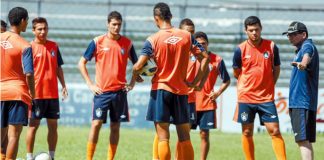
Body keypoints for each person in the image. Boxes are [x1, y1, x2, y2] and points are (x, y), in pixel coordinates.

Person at [133, 3, 209, 160]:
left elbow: (139, 65)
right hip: (181, 92)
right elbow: (205, 58)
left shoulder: (153, 39)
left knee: (163, 138)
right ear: (171, 17)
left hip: (161, 90)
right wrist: (195, 82)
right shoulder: (187, 36)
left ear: (156, 19)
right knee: (184, 138)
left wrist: (135, 75)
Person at [78, 11, 141, 160]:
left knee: (115, 126)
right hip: (102, 92)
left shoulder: (127, 43)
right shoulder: (97, 41)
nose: (117, 27)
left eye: (119, 24)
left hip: (119, 92)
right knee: (96, 124)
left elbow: (137, 66)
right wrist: (90, 84)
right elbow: (81, 63)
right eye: (114, 24)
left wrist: (132, 82)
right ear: (107, 24)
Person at [232, 16, 286, 160]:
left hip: (266, 98)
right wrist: (247, 84)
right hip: (246, 98)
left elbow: (277, 68)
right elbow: (236, 72)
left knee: (274, 131)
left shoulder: (272, 47)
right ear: (246, 31)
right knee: (247, 132)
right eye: (251, 30)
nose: (254, 33)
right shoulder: (240, 49)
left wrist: (269, 84)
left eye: (256, 29)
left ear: (261, 28)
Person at [25, 17, 68, 160]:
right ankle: (29, 157)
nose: (43, 32)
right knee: (33, 126)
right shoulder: (29, 48)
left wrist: (63, 85)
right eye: (39, 29)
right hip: (36, 95)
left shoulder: (54, 46)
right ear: (33, 31)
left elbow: (58, 67)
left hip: (52, 95)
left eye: (45, 28)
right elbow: (26, 72)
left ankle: (52, 157)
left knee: (53, 127)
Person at [0, 7, 35, 160]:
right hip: (17, 93)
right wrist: (33, 94)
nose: (27, 23)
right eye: (27, 20)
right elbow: (29, 74)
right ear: (22, 21)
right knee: (13, 135)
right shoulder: (25, 45)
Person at [283, 21, 319, 160]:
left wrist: (303, 64)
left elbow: (306, 57)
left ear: (303, 34)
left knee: (302, 141)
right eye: (288, 35)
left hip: (301, 102)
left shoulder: (307, 46)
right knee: (305, 141)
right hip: (303, 102)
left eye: (293, 34)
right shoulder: (301, 48)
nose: (289, 37)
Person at [191, 31, 230, 160]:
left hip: (207, 103)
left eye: (203, 44)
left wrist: (217, 92)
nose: (201, 46)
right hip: (189, 101)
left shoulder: (217, 60)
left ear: (208, 44)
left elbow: (227, 80)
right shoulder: (188, 58)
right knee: (183, 134)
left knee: (204, 134)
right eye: (198, 44)